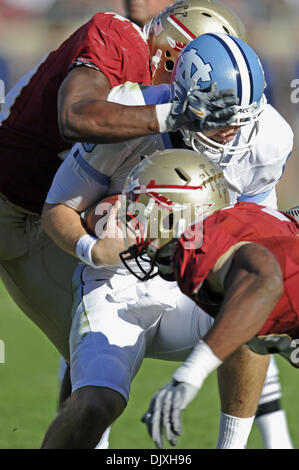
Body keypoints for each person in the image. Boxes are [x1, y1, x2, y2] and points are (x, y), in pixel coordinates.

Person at [0, 0, 244, 447]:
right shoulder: (118, 36)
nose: (197, 87)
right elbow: (75, 115)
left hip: (41, 217)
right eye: (198, 71)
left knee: (90, 377)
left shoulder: (156, 102)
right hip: (10, 204)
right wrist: (175, 111)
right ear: (173, 52)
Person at [40, 34, 293, 448]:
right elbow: (57, 210)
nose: (234, 131)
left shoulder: (267, 136)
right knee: (95, 404)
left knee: (253, 303)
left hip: (193, 283)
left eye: (244, 116)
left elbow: (257, 233)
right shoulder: (127, 115)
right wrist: (93, 249)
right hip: (117, 282)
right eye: (222, 116)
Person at [116, 148, 299, 448]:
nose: (137, 229)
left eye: (144, 215)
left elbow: (262, 278)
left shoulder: (200, 243)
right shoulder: (247, 216)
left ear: (177, 213)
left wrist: (192, 372)